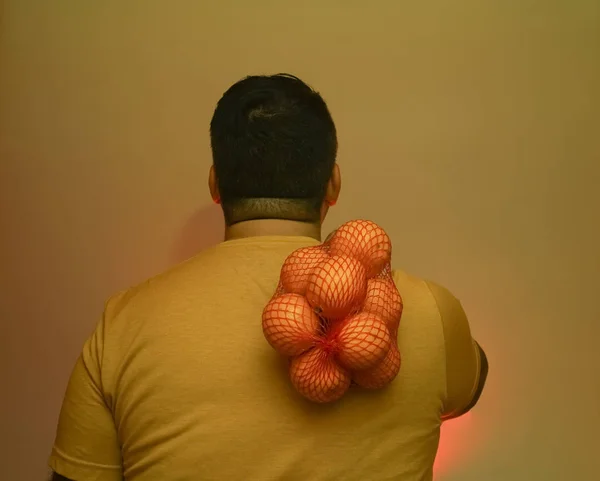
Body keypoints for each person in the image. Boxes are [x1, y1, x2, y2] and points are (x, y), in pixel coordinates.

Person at [49, 73, 488, 481]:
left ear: (215, 184)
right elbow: (473, 382)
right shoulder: (429, 310)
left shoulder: (124, 323)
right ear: (332, 185)